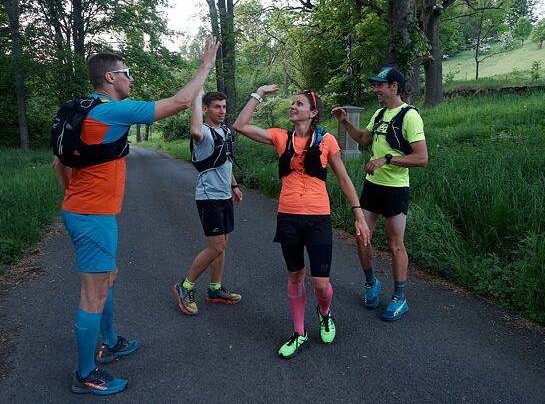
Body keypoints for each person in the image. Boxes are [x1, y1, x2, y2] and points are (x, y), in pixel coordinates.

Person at [52, 38, 220, 395]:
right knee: (93, 292)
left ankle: (110, 341)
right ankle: (85, 374)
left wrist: (72, 197)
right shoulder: (109, 111)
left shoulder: (88, 112)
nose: (131, 79)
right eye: (126, 73)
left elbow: (59, 163)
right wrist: (204, 67)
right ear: (110, 78)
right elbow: (176, 103)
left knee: (106, 277)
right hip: (91, 214)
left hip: (90, 211)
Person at [233, 85, 370, 359]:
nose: (292, 107)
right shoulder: (281, 137)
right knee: (295, 275)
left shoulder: (327, 140)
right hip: (288, 218)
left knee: (321, 284)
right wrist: (258, 94)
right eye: (292, 103)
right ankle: (299, 332)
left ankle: (324, 313)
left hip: (318, 218)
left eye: (298, 104)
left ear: (313, 112)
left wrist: (359, 215)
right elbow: (240, 125)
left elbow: (343, 178)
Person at [331, 66, 428, 322]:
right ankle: (371, 283)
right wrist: (344, 121)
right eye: (375, 85)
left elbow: (421, 158)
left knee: (395, 244)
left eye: (380, 85)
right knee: (362, 236)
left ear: (393, 87)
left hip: (395, 189)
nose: (376, 89)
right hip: (372, 185)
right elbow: (364, 139)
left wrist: (387, 159)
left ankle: (399, 297)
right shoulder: (381, 113)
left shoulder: (410, 116)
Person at [172, 91, 243, 314]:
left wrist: (234, 186)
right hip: (208, 197)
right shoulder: (203, 133)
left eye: (224, 106)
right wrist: (196, 97)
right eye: (216, 107)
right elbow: (194, 130)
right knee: (217, 246)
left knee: (222, 244)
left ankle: (214, 288)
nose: (222, 111)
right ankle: (185, 286)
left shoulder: (225, 131)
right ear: (205, 109)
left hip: (224, 196)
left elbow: (225, 162)